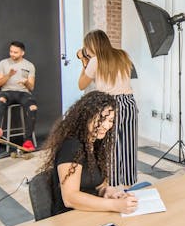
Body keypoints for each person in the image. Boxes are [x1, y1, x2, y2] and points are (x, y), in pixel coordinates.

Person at [39, 91, 138, 216]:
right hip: (70, 216)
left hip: (90, 211)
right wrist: (115, 205)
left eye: (110, 120)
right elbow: (70, 198)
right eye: (101, 119)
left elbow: (98, 185)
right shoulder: (71, 146)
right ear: (86, 116)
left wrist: (108, 191)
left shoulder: (96, 143)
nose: (106, 125)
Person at [77, 30, 138, 187]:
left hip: (110, 105)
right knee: (128, 144)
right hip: (129, 103)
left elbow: (81, 85)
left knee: (109, 144)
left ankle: (111, 183)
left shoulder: (95, 61)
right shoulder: (122, 55)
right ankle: (128, 184)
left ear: (91, 45)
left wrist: (84, 62)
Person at [0, 41, 37, 151]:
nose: (12, 54)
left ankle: (28, 140)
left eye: (15, 52)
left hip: (23, 93)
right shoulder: (3, 63)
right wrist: (9, 75)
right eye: (11, 51)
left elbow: (31, 87)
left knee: (33, 107)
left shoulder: (29, 65)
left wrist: (25, 83)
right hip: (7, 92)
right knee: (1, 100)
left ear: (22, 53)